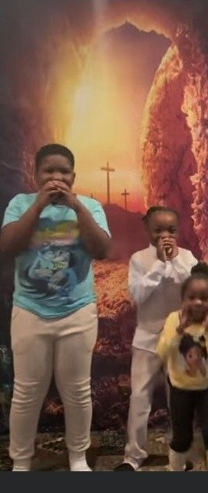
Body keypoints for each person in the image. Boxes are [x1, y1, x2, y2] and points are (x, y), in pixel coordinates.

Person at [0, 143, 111, 471]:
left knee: (77, 391)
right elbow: (7, 247)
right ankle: (21, 461)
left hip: (78, 312)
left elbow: (102, 249)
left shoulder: (89, 206)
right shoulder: (20, 204)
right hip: (29, 311)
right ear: (35, 175)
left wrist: (76, 206)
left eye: (64, 172)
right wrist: (38, 206)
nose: (57, 177)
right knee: (26, 392)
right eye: (49, 171)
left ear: (73, 176)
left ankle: (78, 457)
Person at [114, 206, 198, 471]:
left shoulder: (188, 258)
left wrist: (174, 262)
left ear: (179, 230)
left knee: (180, 401)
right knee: (139, 398)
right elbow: (138, 296)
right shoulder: (139, 259)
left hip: (180, 341)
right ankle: (133, 456)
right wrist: (160, 264)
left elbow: (196, 290)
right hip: (146, 340)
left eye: (171, 230)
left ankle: (180, 456)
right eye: (158, 230)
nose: (165, 235)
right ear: (147, 230)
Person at [156, 262, 208, 472]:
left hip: (207, 388)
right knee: (182, 438)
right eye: (192, 297)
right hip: (180, 388)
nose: (198, 302)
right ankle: (176, 468)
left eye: (204, 298)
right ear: (182, 300)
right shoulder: (173, 320)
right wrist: (179, 331)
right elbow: (162, 353)